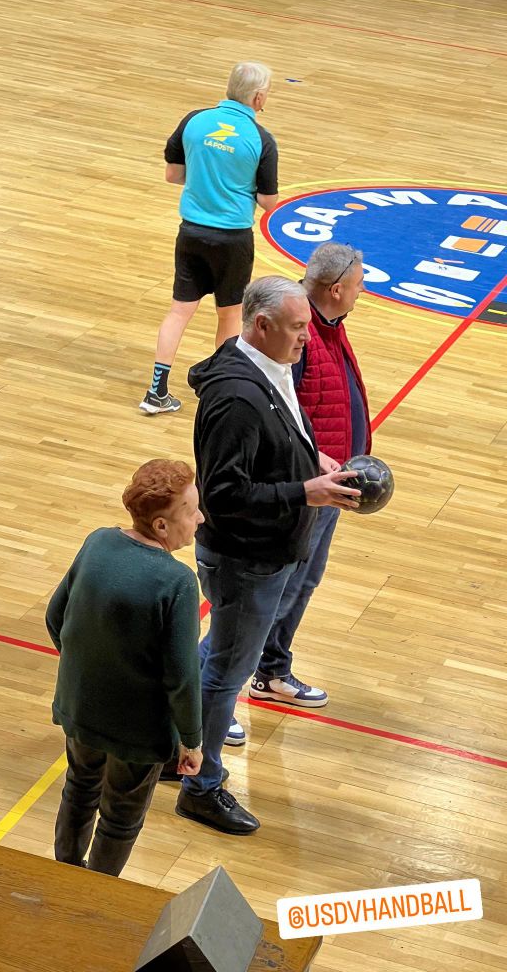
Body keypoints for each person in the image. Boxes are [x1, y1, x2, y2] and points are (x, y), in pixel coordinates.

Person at [174, 276, 360, 834]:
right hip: (245, 558)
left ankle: (175, 752)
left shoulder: (265, 366)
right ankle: (201, 787)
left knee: (223, 659)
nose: (308, 338)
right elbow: (225, 495)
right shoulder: (235, 397)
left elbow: (281, 435)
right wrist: (306, 491)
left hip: (264, 552)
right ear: (261, 325)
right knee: (226, 675)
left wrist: (313, 460)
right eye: (299, 328)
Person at [235, 243, 372, 739]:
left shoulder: (329, 325)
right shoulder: (300, 334)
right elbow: (277, 412)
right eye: (359, 284)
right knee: (265, 595)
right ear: (336, 289)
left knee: (301, 585)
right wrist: (310, 466)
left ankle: (271, 671)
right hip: (303, 491)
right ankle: (221, 691)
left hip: (328, 489)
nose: (363, 291)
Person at [46, 459, 204, 876]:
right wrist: (191, 740)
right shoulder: (178, 582)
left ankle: (64, 874)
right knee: (120, 817)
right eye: (191, 511)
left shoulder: (97, 541)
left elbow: (55, 617)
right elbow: (182, 676)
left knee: (78, 789)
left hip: (80, 708)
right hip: (138, 731)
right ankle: (98, 892)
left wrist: (91, 671)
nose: (200, 518)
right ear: (161, 527)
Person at [139, 61, 279, 415]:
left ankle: (156, 392)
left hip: (191, 233)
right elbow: (267, 201)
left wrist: (206, 178)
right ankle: (220, 391)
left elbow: (173, 174)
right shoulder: (261, 139)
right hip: (232, 239)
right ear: (259, 97)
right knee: (229, 315)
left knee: (178, 311)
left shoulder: (193, 121)